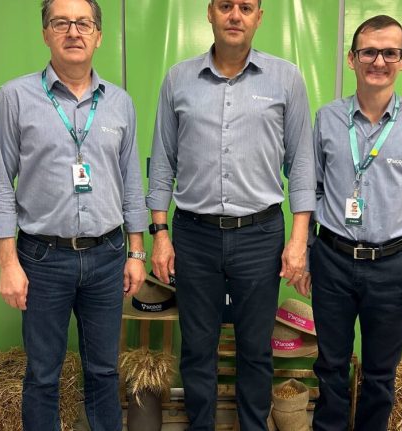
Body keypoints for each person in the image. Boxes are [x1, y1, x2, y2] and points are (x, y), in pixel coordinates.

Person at [146, 0, 316, 429]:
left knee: (255, 350)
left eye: (245, 7)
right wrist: (160, 234)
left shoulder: (286, 79)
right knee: (197, 348)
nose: (235, 15)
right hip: (194, 235)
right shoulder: (178, 79)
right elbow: (162, 162)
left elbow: (301, 165)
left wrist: (299, 240)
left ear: (259, 16)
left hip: (261, 235)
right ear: (210, 12)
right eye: (225, 5)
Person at [0, 0, 148, 430]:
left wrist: (136, 252)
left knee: (104, 372)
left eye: (83, 23)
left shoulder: (120, 103)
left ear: (98, 35)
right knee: (42, 376)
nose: (73, 32)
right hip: (42, 259)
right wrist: (7, 264)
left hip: (108, 257)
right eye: (61, 23)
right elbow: (0, 184)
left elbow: (132, 183)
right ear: (45, 33)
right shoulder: (15, 97)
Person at [299, 15, 402, 431]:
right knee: (330, 366)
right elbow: (310, 190)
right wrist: (307, 253)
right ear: (352, 59)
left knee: (381, 375)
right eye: (368, 52)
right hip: (332, 260)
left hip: (392, 266)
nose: (378, 61)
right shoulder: (327, 118)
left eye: (389, 52)